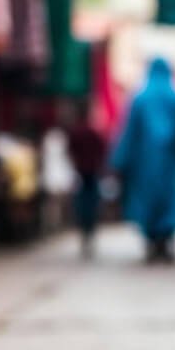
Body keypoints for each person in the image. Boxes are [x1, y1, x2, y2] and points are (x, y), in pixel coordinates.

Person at [111, 57, 175, 263]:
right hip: (170, 162)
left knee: (147, 199)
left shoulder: (139, 98)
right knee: (169, 197)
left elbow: (129, 132)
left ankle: (152, 241)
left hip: (144, 162)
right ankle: (166, 239)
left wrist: (120, 159)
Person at [66, 108, 107, 258]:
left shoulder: (75, 133)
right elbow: (102, 150)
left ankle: (85, 231)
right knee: (92, 203)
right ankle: (89, 230)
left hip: (81, 173)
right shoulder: (93, 132)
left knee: (82, 203)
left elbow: (70, 152)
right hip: (91, 173)